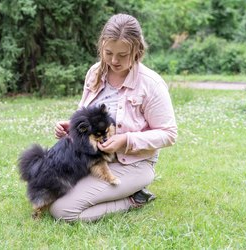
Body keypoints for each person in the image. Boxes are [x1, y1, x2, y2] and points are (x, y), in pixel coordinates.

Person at [50, 13, 177, 222]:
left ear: (137, 50)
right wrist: (72, 127)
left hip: (133, 165)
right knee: (51, 191)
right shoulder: (95, 73)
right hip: (93, 160)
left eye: (123, 55)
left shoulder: (151, 84)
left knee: (63, 211)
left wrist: (125, 140)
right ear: (101, 45)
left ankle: (136, 198)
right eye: (108, 53)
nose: (114, 61)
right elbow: (85, 116)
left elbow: (169, 134)